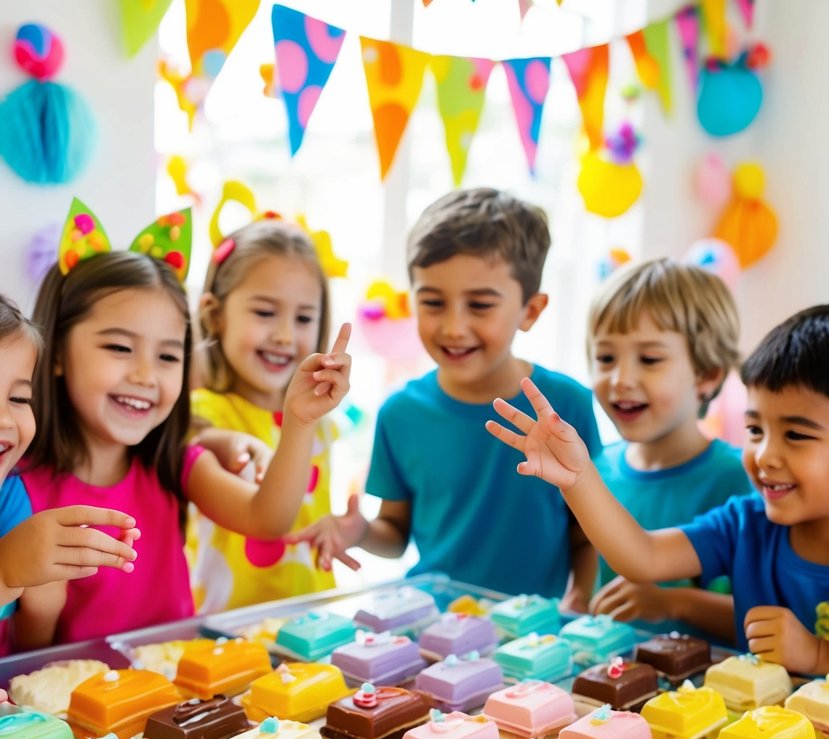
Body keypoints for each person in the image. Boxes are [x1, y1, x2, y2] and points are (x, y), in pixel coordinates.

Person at [17, 245, 350, 648]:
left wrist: (299, 420)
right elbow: (24, 666)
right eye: (120, 348)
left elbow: (269, 520)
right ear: (56, 354)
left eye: (168, 356)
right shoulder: (17, 489)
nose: (146, 375)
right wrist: (41, 608)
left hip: (177, 696)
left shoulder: (175, 465)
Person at [289, 187, 601, 605]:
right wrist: (360, 532)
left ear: (530, 311)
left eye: (480, 305)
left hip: (536, 639)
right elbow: (395, 533)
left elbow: (590, 535)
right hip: (432, 632)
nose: (454, 327)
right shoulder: (400, 413)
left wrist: (579, 600)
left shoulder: (568, 405)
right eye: (433, 302)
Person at [486, 304, 829, 675]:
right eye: (755, 430)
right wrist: (579, 478)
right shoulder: (743, 523)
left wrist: (817, 656)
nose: (765, 456)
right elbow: (643, 557)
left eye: (795, 434)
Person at [587, 257, 751, 640]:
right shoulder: (595, 470)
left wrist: (672, 602)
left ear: (707, 375)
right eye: (606, 357)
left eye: (649, 359)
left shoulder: (739, 480)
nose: (620, 379)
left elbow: (763, 621)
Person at [188, 217, 340, 611]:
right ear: (215, 314)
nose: (286, 336)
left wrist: (345, 529)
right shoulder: (204, 414)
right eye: (265, 313)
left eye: (304, 318)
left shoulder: (321, 422)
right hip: (223, 629)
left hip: (310, 620)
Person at [0, 294, 136, 654]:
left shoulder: (11, 499)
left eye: (18, 400)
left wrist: (43, 602)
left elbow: (24, 655)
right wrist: (4, 573)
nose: (5, 420)